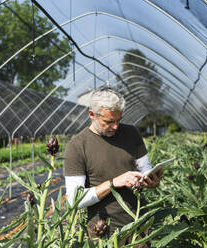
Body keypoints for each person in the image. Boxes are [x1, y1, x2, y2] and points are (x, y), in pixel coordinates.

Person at [64, 86, 162, 242]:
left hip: (140, 226)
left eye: (118, 120)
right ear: (92, 115)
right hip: (104, 232)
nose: (116, 127)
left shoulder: (131, 133)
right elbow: (75, 200)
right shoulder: (77, 146)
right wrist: (114, 183)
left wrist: (151, 181)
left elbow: (145, 168)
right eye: (108, 122)